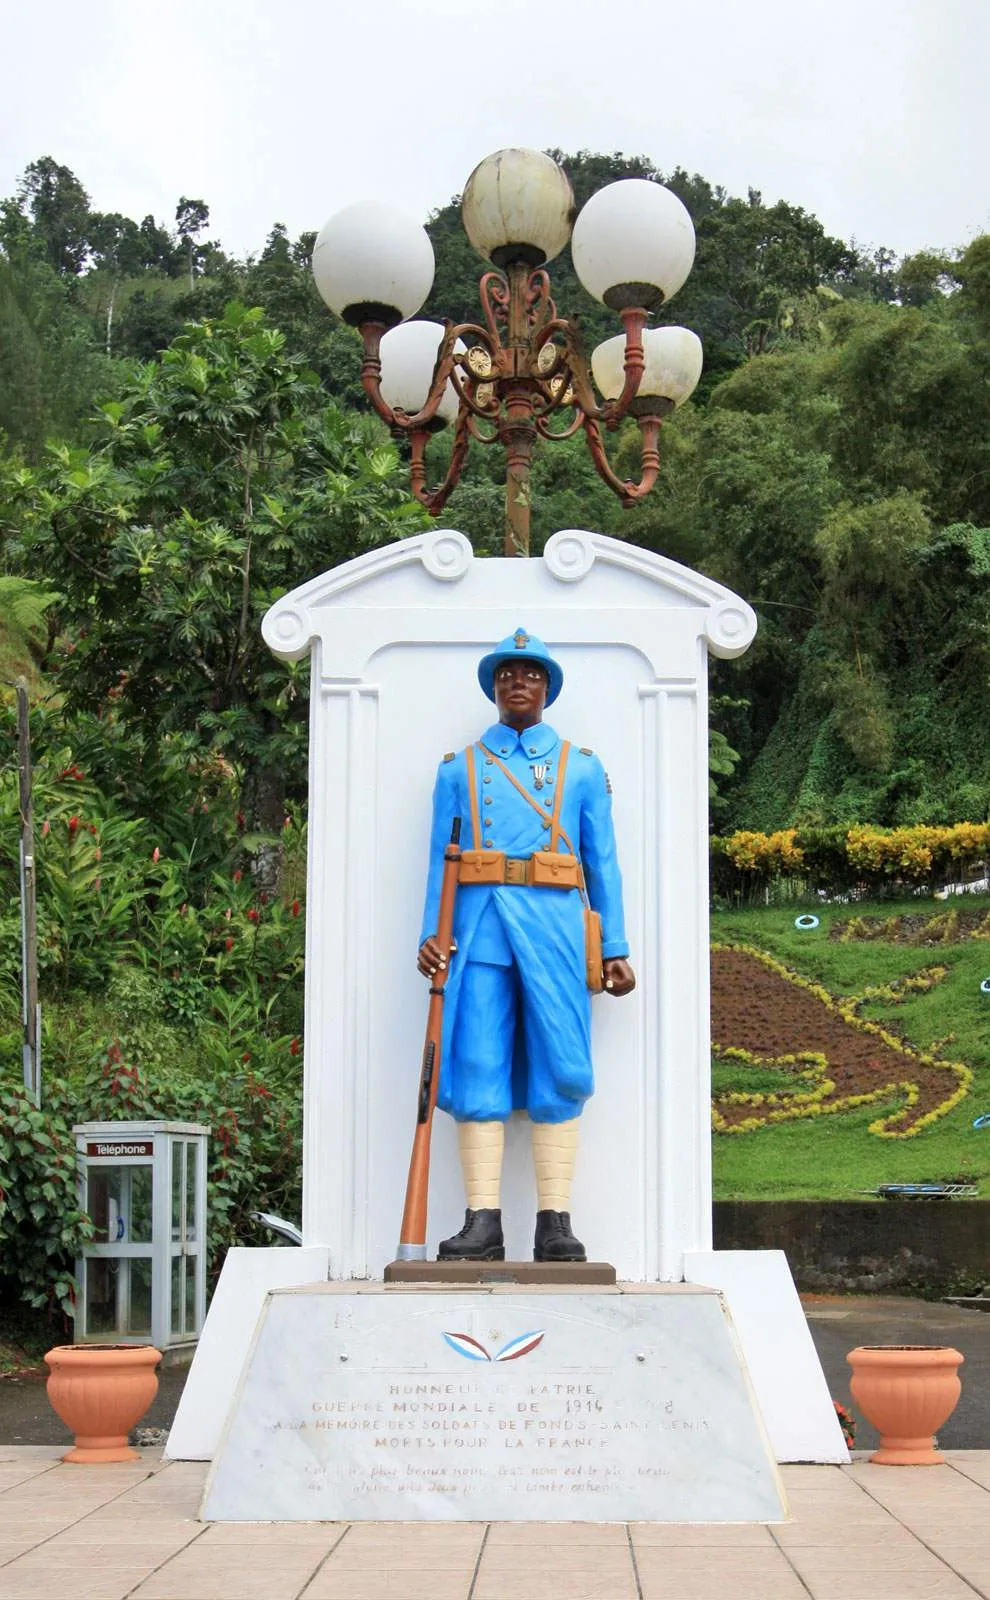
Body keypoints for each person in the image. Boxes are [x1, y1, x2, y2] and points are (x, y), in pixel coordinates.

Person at [418, 628, 635, 1263]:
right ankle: (482, 1220)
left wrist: (616, 944)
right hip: (481, 923)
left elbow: (604, 863)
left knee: (559, 1064)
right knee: (479, 1060)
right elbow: (440, 861)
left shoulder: (583, 768)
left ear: (548, 688)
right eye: (509, 674)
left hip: (556, 925)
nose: (520, 682)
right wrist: (433, 934)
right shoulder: (459, 769)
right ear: (493, 687)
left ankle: (555, 1222)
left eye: (532, 674)